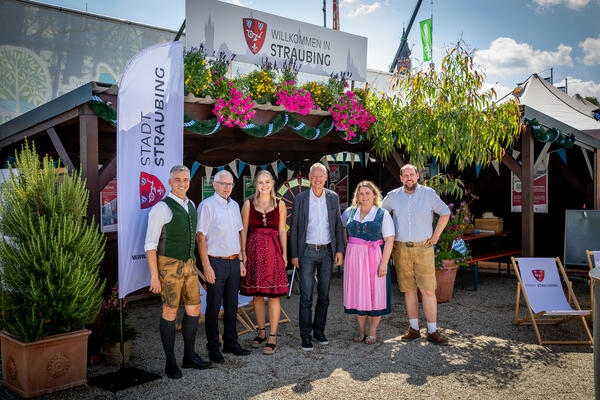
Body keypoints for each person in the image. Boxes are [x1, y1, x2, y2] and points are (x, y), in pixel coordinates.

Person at [144, 165, 212, 380]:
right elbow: (150, 245)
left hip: (189, 265)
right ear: (170, 182)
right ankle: (170, 362)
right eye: (177, 180)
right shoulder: (161, 208)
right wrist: (154, 276)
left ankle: (189, 356)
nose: (182, 183)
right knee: (170, 312)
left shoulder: (191, 204)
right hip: (169, 265)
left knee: (194, 309)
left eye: (185, 179)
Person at [382, 164, 451, 345]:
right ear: (401, 178)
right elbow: (379, 214)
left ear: (417, 176)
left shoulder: (428, 194)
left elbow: (445, 212)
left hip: (424, 248)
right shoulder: (393, 196)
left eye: (412, 174)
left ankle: (432, 331)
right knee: (408, 290)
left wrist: (435, 237)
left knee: (428, 290)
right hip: (401, 248)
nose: (409, 178)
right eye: (405, 175)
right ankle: (413, 329)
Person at [197, 170, 251, 363]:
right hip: (215, 262)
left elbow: (239, 233)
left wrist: (241, 260)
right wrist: (206, 266)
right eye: (223, 183)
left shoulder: (234, 205)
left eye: (230, 184)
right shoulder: (207, 206)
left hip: (234, 261)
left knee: (232, 305)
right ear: (214, 184)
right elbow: (200, 237)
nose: (227, 187)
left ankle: (231, 342)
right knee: (213, 307)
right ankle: (213, 347)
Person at [290, 162, 344, 351]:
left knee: (324, 295)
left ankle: (319, 331)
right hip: (307, 252)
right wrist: (294, 254)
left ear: (326, 178)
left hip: (328, 252)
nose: (318, 180)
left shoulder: (333, 198)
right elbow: (295, 228)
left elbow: (337, 226)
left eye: (321, 176)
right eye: (315, 176)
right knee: (306, 296)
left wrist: (339, 251)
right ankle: (305, 336)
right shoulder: (301, 199)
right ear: (309, 177)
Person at [240, 170, 289, 355]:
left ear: (272, 183)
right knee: (258, 295)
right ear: (256, 184)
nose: (264, 185)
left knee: (274, 295)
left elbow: (282, 230)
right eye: (260, 182)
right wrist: (243, 254)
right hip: (253, 252)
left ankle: (273, 336)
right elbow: (243, 231)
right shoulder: (248, 203)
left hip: (274, 252)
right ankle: (261, 332)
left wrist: (284, 253)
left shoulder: (280, 204)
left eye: (267, 181)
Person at [341, 181, 394, 345]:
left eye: (367, 193)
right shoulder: (350, 212)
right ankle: (361, 331)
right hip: (354, 259)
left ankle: (372, 332)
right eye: (361, 193)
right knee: (358, 293)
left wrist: (384, 263)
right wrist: (347, 247)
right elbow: (343, 228)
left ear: (374, 195)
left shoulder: (382, 214)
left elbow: (389, 239)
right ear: (357, 196)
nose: (364, 197)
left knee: (374, 293)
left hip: (373, 257)